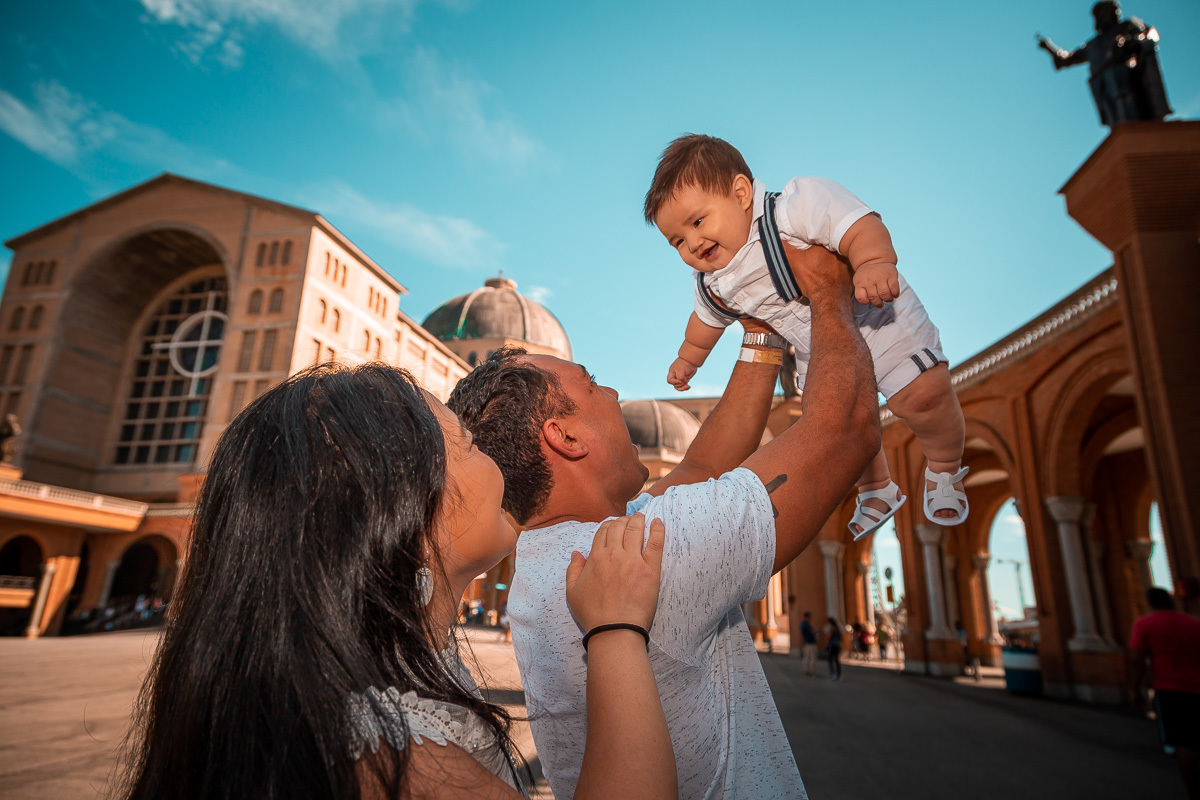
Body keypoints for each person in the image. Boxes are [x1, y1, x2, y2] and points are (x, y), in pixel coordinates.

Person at [118, 364, 677, 800]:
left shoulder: (380, 678)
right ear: (403, 506)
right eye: (472, 445)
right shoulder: (391, 755)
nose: (500, 467)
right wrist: (616, 629)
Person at [449, 239, 880, 799]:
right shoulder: (652, 553)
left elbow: (702, 464)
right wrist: (826, 288)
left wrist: (760, 330)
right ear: (565, 436)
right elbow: (847, 428)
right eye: (591, 381)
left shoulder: (565, 550)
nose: (613, 391)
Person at [645, 134, 967, 539]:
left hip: (875, 315)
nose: (692, 243)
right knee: (841, 426)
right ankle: (876, 489)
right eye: (677, 241)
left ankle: (944, 468)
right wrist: (688, 358)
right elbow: (704, 323)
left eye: (697, 222)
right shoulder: (714, 282)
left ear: (741, 193)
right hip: (817, 349)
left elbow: (857, 222)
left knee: (924, 398)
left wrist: (872, 261)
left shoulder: (792, 209)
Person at [1036, 1, 1171, 127]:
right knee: (1117, 120)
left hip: (1125, 78)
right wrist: (1049, 47)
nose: (1115, 14)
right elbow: (1066, 59)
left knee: (1131, 111)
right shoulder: (1093, 44)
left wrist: (1131, 41)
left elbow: (1149, 34)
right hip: (1103, 87)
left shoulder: (1128, 26)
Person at [1129, 587, 1200, 799]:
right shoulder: (1194, 624)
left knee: (1184, 745)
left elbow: (1136, 659)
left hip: (1171, 690)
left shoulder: (1146, 624)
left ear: (1150, 603)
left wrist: (1135, 689)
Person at [800, 611, 819, 677]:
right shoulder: (806, 624)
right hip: (811, 643)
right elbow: (811, 632)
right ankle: (811, 672)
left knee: (807, 657)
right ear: (807, 617)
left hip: (806, 642)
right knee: (812, 658)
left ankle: (807, 670)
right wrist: (816, 630)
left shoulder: (802, 624)